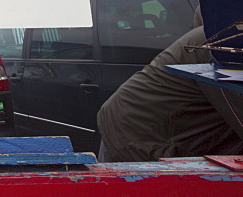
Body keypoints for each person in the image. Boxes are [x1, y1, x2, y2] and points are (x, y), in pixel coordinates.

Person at [97, 22, 243, 161]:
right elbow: (238, 113)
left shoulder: (226, 34)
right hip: (137, 133)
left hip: (151, 131)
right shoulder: (224, 44)